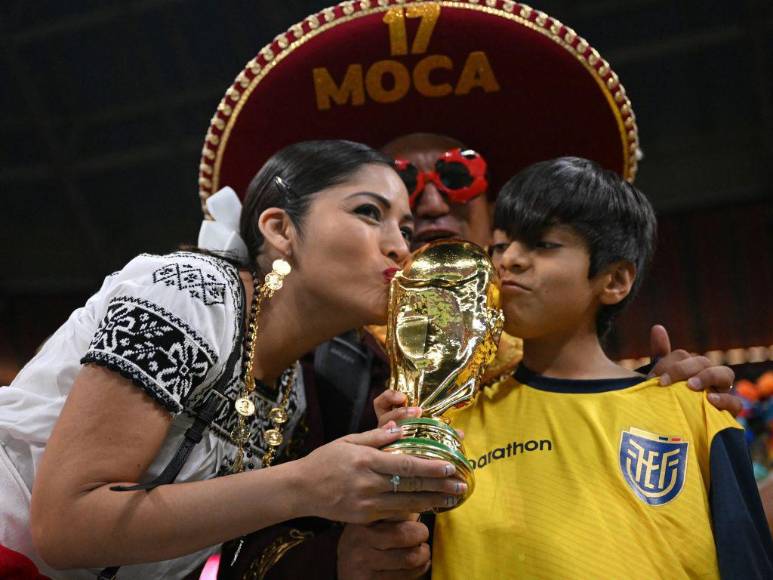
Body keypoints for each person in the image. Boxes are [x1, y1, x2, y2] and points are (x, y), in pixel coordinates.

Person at [0, 140, 466, 579]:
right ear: (281, 229)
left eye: (405, 230)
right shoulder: (188, 291)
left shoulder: (295, 396)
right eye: (370, 212)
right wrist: (305, 484)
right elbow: (65, 525)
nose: (401, 248)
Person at [405, 157, 773, 578]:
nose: (509, 261)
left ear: (614, 280)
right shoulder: (452, 426)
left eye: (542, 243)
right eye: (500, 245)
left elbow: (746, 561)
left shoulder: (696, 411)